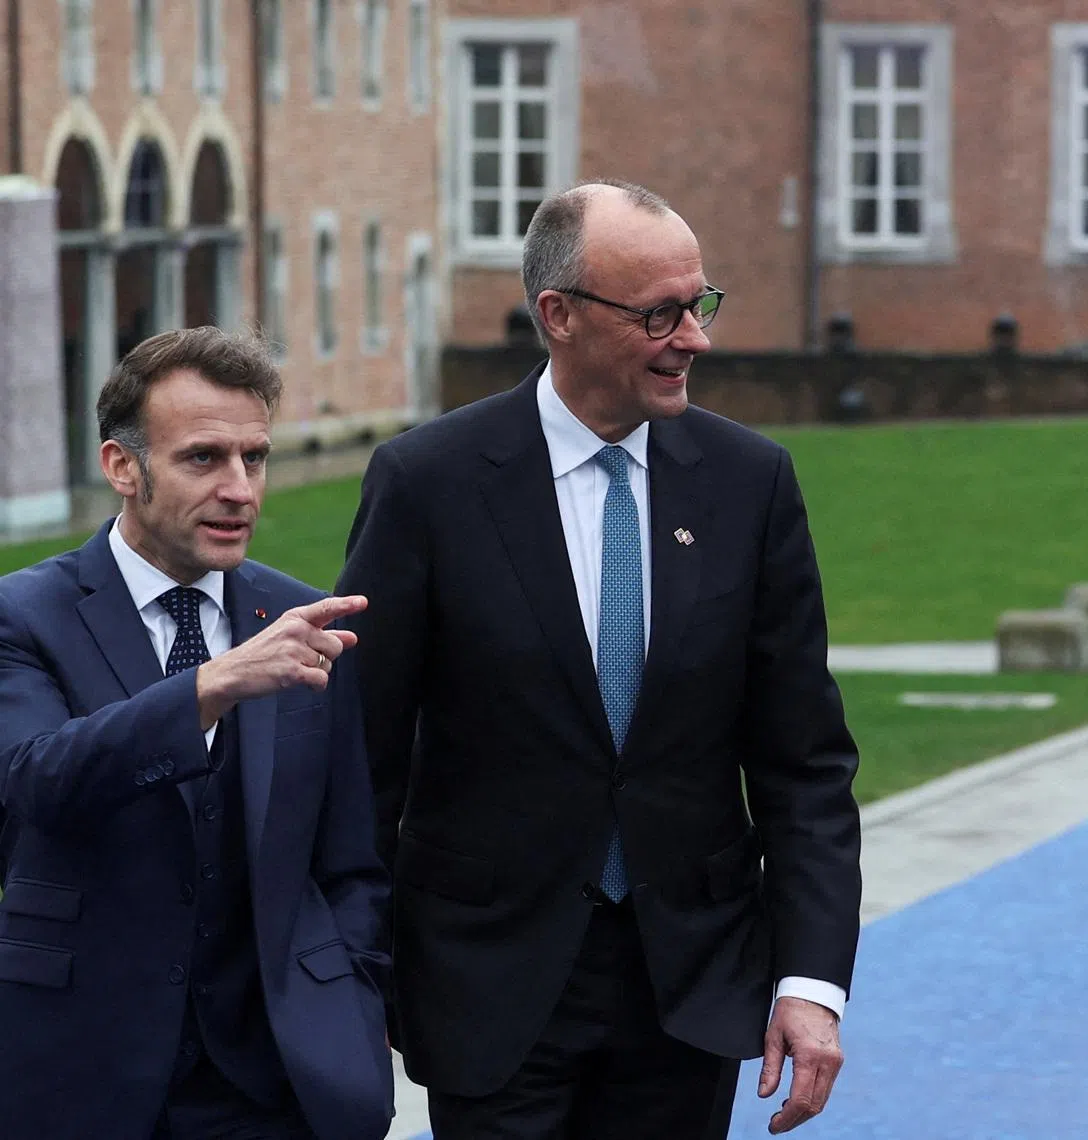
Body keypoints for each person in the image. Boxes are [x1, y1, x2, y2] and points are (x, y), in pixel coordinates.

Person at [338, 179, 861, 1139]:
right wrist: (346, 979)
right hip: (488, 986)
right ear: (560, 316)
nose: (694, 339)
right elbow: (359, 761)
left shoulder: (752, 484)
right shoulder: (427, 483)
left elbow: (806, 764)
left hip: (690, 988)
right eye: (660, 313)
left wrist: (812, 981)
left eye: (699, 304)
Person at [0, 328, 394, 1140]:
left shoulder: (303, 620)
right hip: (82, 1072)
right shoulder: (23, 617)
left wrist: (348, 998)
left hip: (271, 1086)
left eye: (255, 457)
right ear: (122, 466)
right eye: (204, 458)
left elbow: (353, 860)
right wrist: (213, 685)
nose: (240, 489)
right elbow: (38, 780)